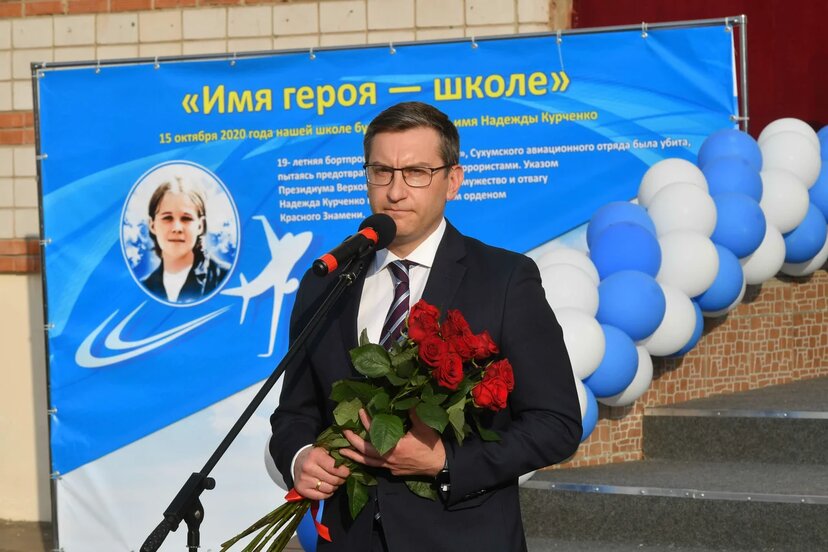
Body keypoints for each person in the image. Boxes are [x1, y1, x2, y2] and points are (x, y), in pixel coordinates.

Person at [270, 101, 581, 551]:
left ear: (453, 180)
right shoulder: (327, 282)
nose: (395, 191)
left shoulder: (504, 279)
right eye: (381, 171)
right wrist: (300, 457)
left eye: (416, 172)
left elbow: (556, 424)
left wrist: (444, 461)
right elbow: (294, 413)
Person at [142, 176, 229, 303]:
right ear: (152, 225)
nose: (177, 228)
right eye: (167, 218)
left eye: (186, 218)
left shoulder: (225, 278)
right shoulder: (144, 288)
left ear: (200, 225)